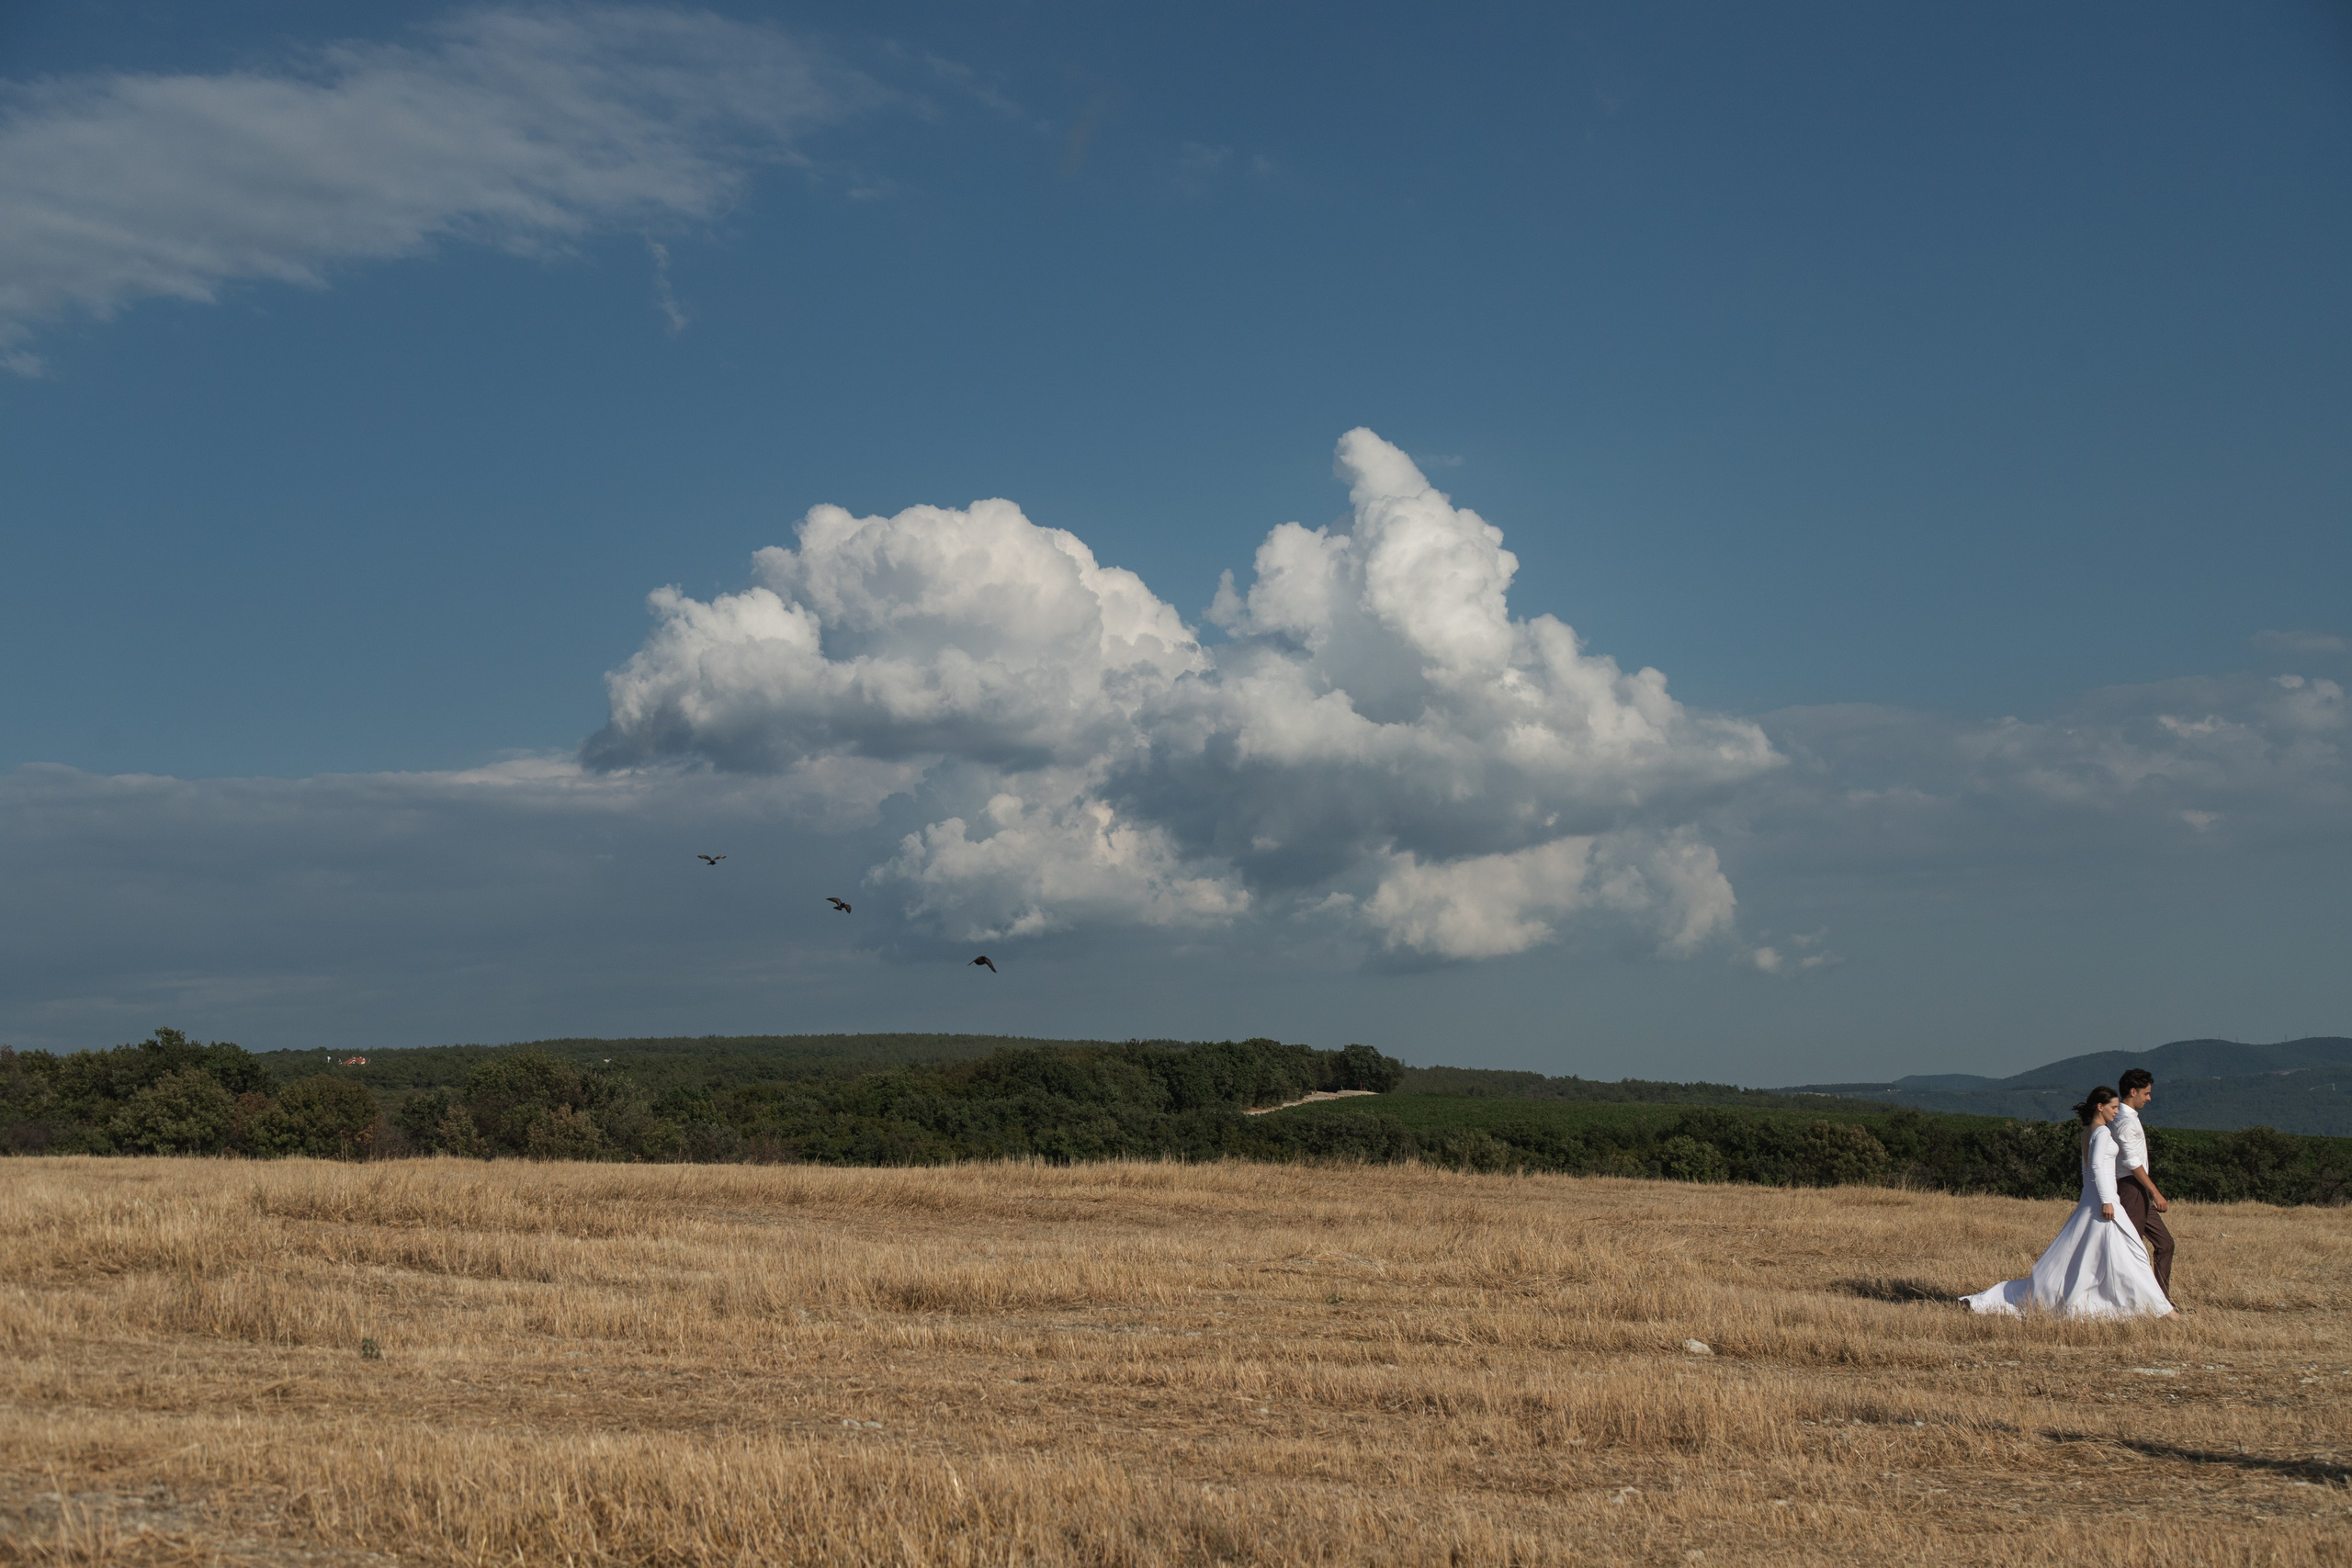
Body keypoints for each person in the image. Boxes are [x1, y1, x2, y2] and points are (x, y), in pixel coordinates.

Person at [1961, 1087, 2174, 1319]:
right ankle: (2158, 1309)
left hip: (2091, 1197)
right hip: (2104, 1200)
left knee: (2088, 1255)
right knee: (2131, 1254)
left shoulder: (2087, 1131)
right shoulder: (2102, 1133)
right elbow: (2095, 1168)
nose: (2117, 1112)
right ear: (2100, 1107)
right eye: (2113, 1107)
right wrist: (2107, 1201)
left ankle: (2154, 1307)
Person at [2111, 1067, 2175, 1301]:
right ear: (2133, 1091)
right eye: (2146, 1093)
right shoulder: (2125, 1121)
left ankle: (2160, 1299)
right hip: (2131, 1187)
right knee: (2133, 1248)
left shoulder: (2126, 1119)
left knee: (2165, 1243)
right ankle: (2136, 1301)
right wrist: (2155, 1193)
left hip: (2137, 1188)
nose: (2149, 1098)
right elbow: (2131, 1162)